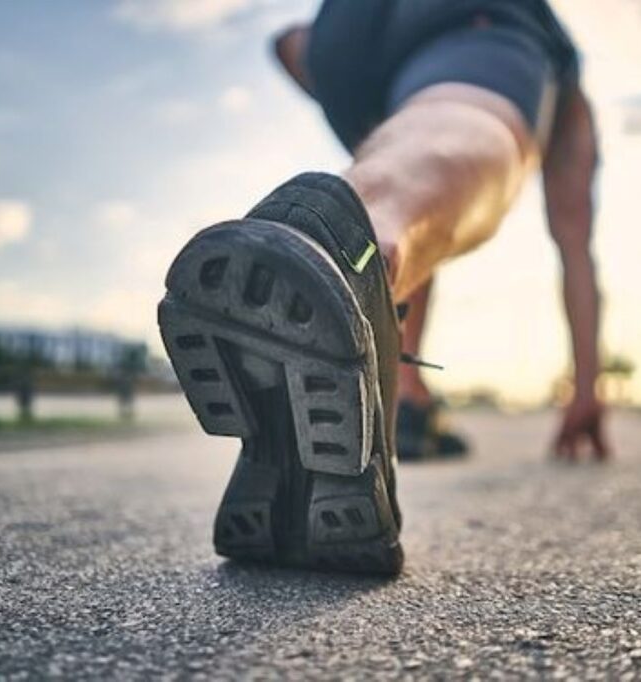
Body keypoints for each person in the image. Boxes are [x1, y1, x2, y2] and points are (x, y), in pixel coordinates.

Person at [158, 0, 609, 575]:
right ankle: (341, 238)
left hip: (339, 38)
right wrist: (587, 388)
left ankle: (400, 388)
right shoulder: (557, 75)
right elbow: (576, 249)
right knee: (454, 124)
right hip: (457, 26)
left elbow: (285, 44)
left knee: (412, 192)